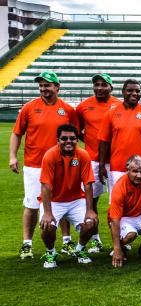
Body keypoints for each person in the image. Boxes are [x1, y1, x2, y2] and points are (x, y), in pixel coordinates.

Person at [11, 71, 79, 260]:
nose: (44, 89)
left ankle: (67, 241)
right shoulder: (29, 107)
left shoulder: (68, 110)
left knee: (64, 202)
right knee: (32, 205)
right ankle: (27, 244)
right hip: (34, 165)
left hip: (61, 164)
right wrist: (12, 157)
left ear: (57, 87)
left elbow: (75, 136)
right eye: (41, 85)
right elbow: (17, 133)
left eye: (47, 85)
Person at [38, 124, 97, 269]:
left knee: (91, 222)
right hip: (54, 201)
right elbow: (46, 186)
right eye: (64, 138)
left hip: (76, 200)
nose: (68, 141)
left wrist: (90, 210)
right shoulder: (50, 155)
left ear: (77, 140)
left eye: (72, 138)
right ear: (57, 140)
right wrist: (47, 212)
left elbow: (88, 184)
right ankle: (50, 252)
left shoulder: (83, 155)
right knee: (47, 226)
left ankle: (80, 249)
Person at [74, 72, 119, 254]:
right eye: (97, 84)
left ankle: (121, 238)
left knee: (116, 201)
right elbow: (77, 131)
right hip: (92, 160)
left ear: (111, 87)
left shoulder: (118, 105)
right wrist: (92, 143)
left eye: (103, 85)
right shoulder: (83, 106)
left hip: (116, 161)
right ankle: (95, 238)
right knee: (90, 201)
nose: (100, 88)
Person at [98, 79, 141, 188]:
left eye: (137, 91)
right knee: (118, 202)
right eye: (130, 90)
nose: (134, 94)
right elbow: (104, 141)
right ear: (123, 92)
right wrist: (101, 165)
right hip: (118, 167)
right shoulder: (111, 113)